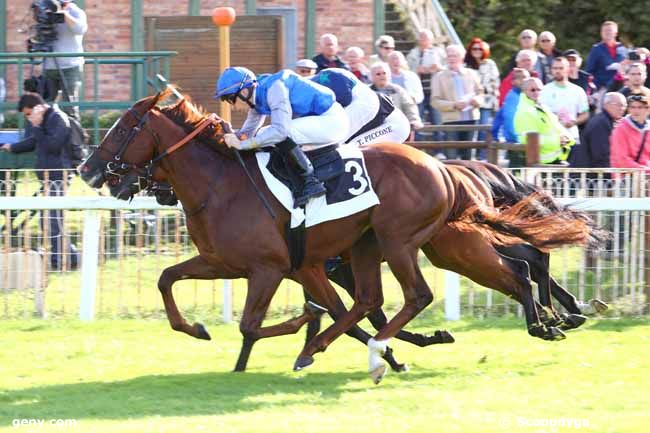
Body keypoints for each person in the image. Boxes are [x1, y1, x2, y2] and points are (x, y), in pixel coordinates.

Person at [214, 67, 349, 206]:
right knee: (263, 134)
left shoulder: (275, 88)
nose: (232, 107)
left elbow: (280, 131)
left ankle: (310, 182)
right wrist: (230, 138)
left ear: (243, 92)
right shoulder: (256, 94)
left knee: (280, 133)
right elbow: (248, 131)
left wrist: (243, 145)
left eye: (230, 100)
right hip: (317, 120)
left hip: (332, 121)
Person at [0, 93, 78, 270]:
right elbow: (34, 143)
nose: (29, 118)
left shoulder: (58, 119)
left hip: (59, 176)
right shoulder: (44, 122)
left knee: (53, 220)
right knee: (49, 220)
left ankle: (62, 261)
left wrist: (36, 126)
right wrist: (10, 147)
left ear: (38, 108)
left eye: (29, 114)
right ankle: (70, 258)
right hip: (49, 178)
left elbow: (52, 145)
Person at [311, 67, 411, 146]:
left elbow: (345, 99)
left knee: (347, 147)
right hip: (379, 114)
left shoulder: (325, 80)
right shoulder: (319, 82)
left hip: (395, 125)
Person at [430, 44, 483, 160]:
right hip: (451, 121)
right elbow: (435, 101)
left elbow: (481, 93)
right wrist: (453, 105)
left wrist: (477, 100)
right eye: (449, 56)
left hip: (471, 119)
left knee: (469, 156)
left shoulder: (472, 74)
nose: (452, 58)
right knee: (452, 156)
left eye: (455, 56)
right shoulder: (439, 77)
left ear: (462, 57)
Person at [43, 0, 87, 121]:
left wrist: (64, 15)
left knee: (69, 106)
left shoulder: (76, 12)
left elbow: (80, 29)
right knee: (46, 105)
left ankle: (73, 137)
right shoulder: (46, 8)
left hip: (70, 65)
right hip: (50, 65)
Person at [514, 78, 574, 164]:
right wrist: (557, 140)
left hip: (553, 159)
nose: (536, 92)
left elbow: (556, 126)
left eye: (539, 89)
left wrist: (567, 138)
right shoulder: (525, 111)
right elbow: (527, 139)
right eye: (532, 90)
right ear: (524, 91)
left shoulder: (542, 107)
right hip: (538, 164)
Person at [406, 29, 446, 141]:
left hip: (435, 92)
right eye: (422, 37)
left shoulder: (440, 53)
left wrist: (438, 68)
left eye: (427, 38)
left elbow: (447, 69)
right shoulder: (413, 54)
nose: (424, 40)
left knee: (437, 121)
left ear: (431, 40)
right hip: (418, 92)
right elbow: (406, 70)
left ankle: (439, 150)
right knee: (417, 120)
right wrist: (416, 70)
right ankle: (419, 147)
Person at [539, 57, 590, 145]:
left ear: (568, 69)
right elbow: (539, 114)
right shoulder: (544, 90)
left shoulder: (578, 90)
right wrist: (554, 118)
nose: (557, 71)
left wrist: (574, 121)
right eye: (555, 68)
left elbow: (585, 114)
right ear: (551, 70)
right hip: (551, 138)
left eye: (561, 68)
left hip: (572, 136)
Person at [570, 92, 626, 168]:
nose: (622, 109)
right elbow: (601, 155)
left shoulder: (605, 120)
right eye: (619, 105)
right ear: (606, 105)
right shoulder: (601, 123)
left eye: (624, 106)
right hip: (589, 175)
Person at [369, 62, 422, 142]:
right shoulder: (367, 91)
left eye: (384, 73)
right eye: (378, 74)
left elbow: (409, 105)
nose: (382, 76)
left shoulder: (397, 90)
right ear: (372, 77)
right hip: (374, 131)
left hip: (396, 128)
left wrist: (414, 120)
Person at [464, 38, 500, 147]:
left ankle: (483, 154)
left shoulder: (490, 64)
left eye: (480, 49)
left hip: (487, 102)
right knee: (472, 130)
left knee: (484, 127)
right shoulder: (466, 65)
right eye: (474, 48)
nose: (477, 51)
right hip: (470, 102)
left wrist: (481, 91)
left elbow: (495, 82)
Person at [492, 68, 530, 166]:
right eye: (519, 78)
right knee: (518, 172)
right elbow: (509, 119)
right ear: (513, 82)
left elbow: (499, 117)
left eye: (525, 77)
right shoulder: (513, 97)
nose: (523, 80)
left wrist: (495, 132)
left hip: (524, 141)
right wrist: (516, 138)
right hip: (517, 143)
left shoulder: (525, 96)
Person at [610, 94, 650, 169]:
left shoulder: (648, 128)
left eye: (640, 107)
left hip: (645, 176)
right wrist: (645, 171)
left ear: (648, 110)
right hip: (626, 178)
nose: (636, 111)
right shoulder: (620, 128)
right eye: (632, 107)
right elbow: (621, 159)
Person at [586, 21, 628, 92]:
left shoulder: (623, 48)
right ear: (601, 33)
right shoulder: (596, 49)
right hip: (603, 89)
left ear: (616, 33)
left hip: (621, 87)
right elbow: (589, 71)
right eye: (604, 31)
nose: (606, 33)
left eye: (609, 30)